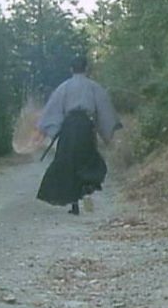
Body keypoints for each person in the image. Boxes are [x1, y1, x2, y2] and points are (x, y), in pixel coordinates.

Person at [33, 55, 122, 215]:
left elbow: (52, 109)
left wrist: (46, 130)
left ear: (71, 69)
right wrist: (106, 134)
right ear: (86, 69)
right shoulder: (94, 87)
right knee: (87, 160)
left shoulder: (64, 87)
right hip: (85, 127)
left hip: (69, 128)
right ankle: (85, 189)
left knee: (68, 162)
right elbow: (104, 109)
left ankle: (74, 203)